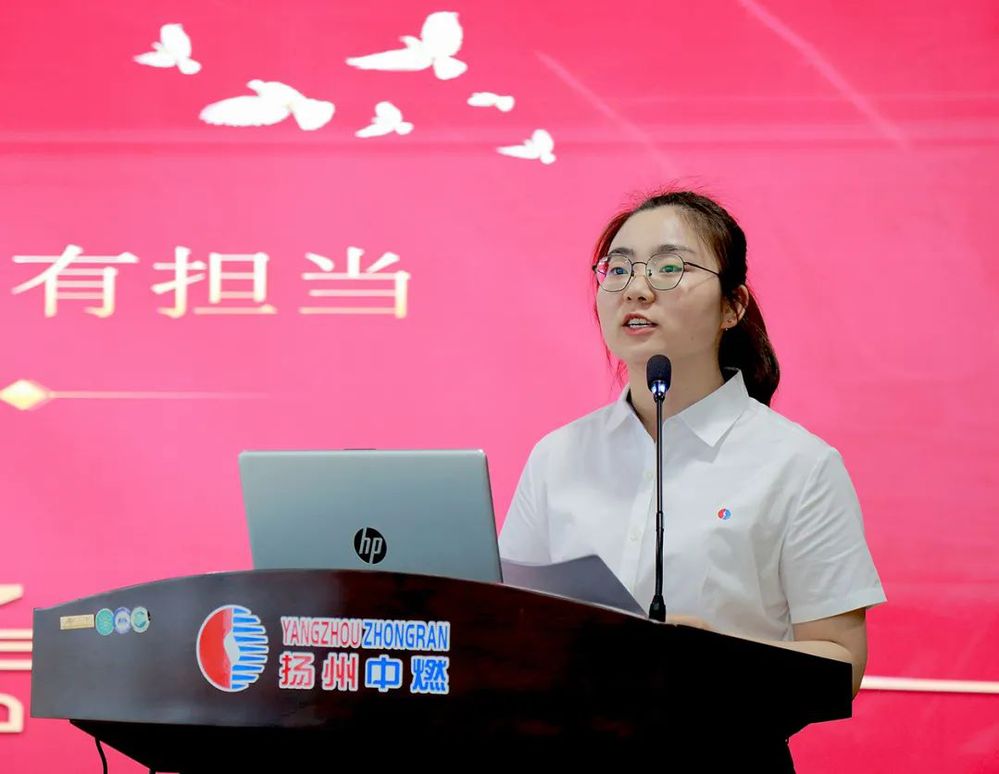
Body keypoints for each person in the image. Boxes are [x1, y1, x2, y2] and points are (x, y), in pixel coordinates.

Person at [499, 190, 886, 703]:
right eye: (618, 270)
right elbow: (503, 621)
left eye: (669, 268)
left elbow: (842, 663)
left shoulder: (798, 464)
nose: (636, 290)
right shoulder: (557, 456)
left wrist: (715, 657)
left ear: (732, 306)